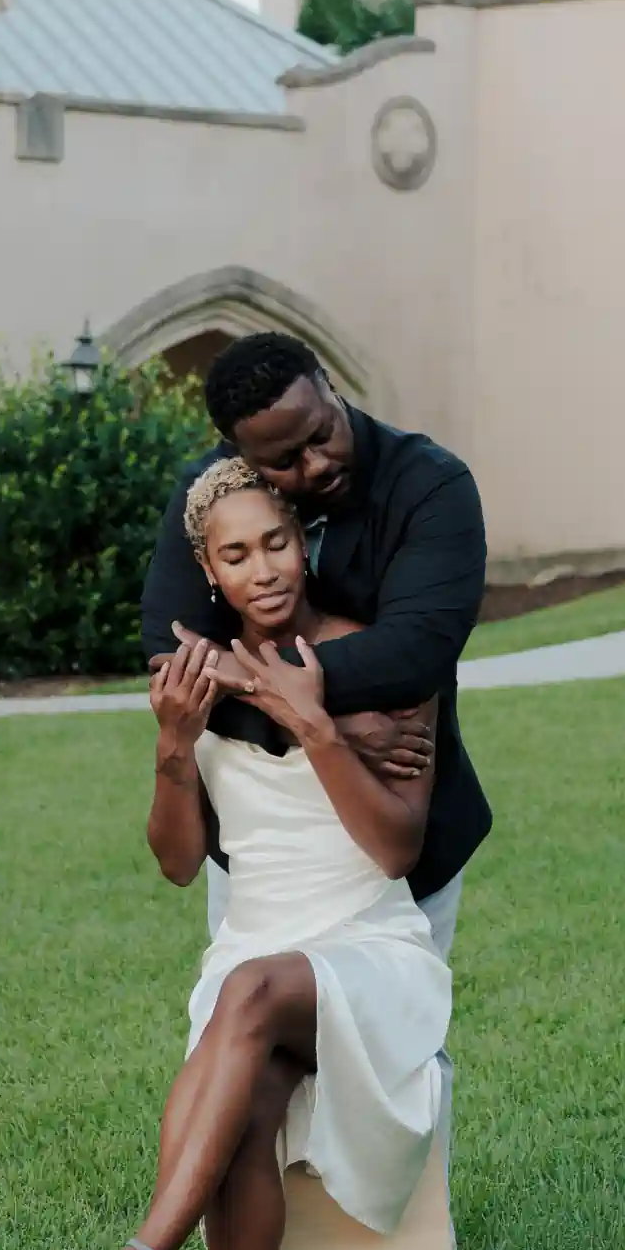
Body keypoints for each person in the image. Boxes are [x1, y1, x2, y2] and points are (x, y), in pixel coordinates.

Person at [30, 459, 451, 1250]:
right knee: (247, 1088)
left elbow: (395, 846)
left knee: (251, 994)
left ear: (302, 539)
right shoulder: (195, 676)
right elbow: (180, 864)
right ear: (206, 573)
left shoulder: (378, 659)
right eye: (234, 554)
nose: (261, 568)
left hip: (366, 941)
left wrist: (314, 724)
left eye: (274, 542)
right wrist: (175, 745)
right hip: (254, 943)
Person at [138, 332, 491, 961]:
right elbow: (173, 660)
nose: (317, 463)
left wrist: (240, 677)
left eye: (322, 432)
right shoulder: (213, 499)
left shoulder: (431, 488)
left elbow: (414, 656)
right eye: (284, 460)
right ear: (239, 454)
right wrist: (334, 725)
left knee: (396, 1048)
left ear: (330, 385)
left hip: (396, 819)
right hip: (258, 854)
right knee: (256, 1024)